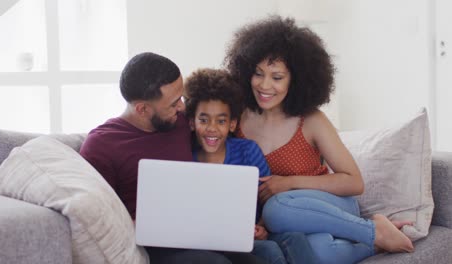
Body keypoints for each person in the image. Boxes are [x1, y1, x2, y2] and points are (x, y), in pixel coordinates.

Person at [224, 16, 415, 264]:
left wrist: (289, 183)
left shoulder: (312, 120)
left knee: (277, 208)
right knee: (313, 252)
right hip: (288, 225)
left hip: (331, 206)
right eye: (258, 74)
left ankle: (372, 229)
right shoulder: (235, 118)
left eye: (277, 77)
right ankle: (373, 240)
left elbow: (354, 182)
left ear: (296, 79)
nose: (264, 85)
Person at [80, 52, 268, 264]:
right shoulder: (102, 145)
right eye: (173, 103)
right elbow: (96, 217)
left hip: (200, 231)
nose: (181, 107)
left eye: (181, 97)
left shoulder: (179, 122)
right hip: (152, 245)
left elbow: (216, 127)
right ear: (142, 109)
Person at [183, 68, 317, 264]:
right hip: (215, 239)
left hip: (254, 231)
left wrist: (262, 226)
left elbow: (268, 196)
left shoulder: (247, 151)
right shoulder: (186, 159)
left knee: (295, 238)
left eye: (221, 121)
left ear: (231, 124)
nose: (212, 128)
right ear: (192, 123)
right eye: (203, 120)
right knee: (270, 250)